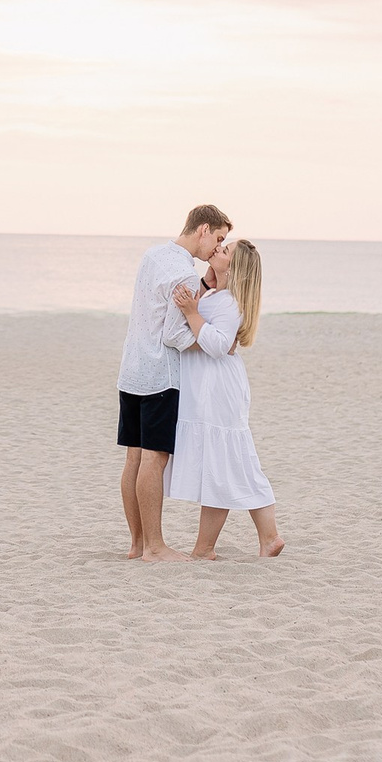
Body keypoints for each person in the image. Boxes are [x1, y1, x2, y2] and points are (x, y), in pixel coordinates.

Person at [117, 205, 231, 562]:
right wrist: (214, 341)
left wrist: (202, 287)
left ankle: (137, 545)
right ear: (203, 229)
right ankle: (155, 546)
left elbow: (151, 308)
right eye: (218, 239)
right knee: (155, 459)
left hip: (131, 369)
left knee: (134, 457)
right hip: (160, 375)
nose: (217, 248)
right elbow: (173, 335)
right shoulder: (183, 273)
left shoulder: (154, 255)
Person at [166, 239, 284, 558]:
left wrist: (191, 312)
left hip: (218, 388)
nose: (218, 250)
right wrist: (201, 293)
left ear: (234, 268)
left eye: (225, 251)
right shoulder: (218, 294)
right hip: (208, 386)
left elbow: (218, 344)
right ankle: (267, 536)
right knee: (231, 465)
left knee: (226, 464)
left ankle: (207, 548)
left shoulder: (230, 302)